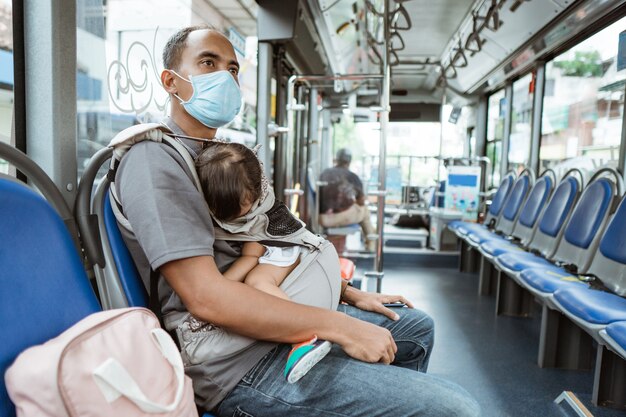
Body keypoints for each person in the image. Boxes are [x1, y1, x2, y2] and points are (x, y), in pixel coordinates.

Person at [114, 24, 480, 416]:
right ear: (171, 80)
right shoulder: (156, 161)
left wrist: (350, 294)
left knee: (416, 328)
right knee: (457, 409)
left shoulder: (223, 154)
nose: (225, 76)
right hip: (236, 361)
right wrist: (340, 326)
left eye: (233, 69)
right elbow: (206, 299)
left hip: (266, 317)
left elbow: (278, 242)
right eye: (208, 63)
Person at [193, 140, 336, 383]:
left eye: (242, 208)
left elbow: (251, 256)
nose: (239, 216)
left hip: (283, 249)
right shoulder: (243, 195)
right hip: (286, 250)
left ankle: (305, 336)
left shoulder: (259, 216)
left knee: (257, 281)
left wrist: (220, 286)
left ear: (256, 192)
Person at [319, 148, 377, 251]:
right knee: (365, 211)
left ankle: (371, 240)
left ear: (336, 159)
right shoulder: (352, 176)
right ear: (349, 161)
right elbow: (361, 202)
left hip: (321, 218)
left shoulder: (324, 173)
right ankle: (371, 244)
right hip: (337, 217)